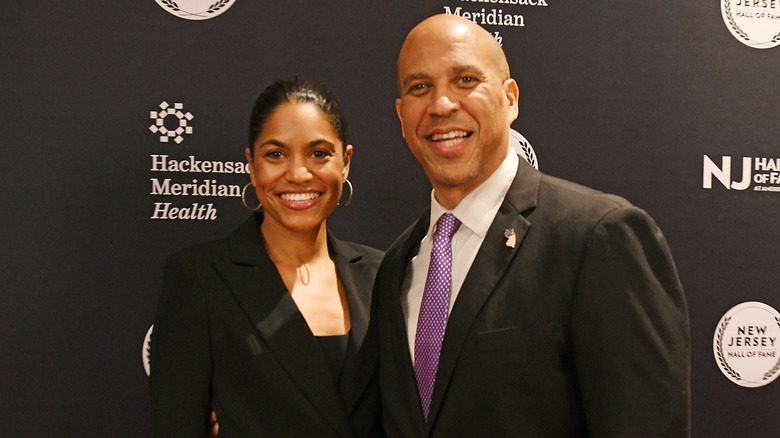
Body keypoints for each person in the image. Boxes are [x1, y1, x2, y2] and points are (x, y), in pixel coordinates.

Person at [371, 14, 691, 437]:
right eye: (419, 87)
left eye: (465, 80)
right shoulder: (397, 265)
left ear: (510, 99)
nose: (441, 105)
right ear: (400, 114)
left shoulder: (598, 237)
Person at [150, 77, 382, 437]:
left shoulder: (384, 275)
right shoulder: (199, 279)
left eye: (319, 153)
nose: (298, 174)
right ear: (251, 164)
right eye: (276, 154)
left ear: (346, 161)